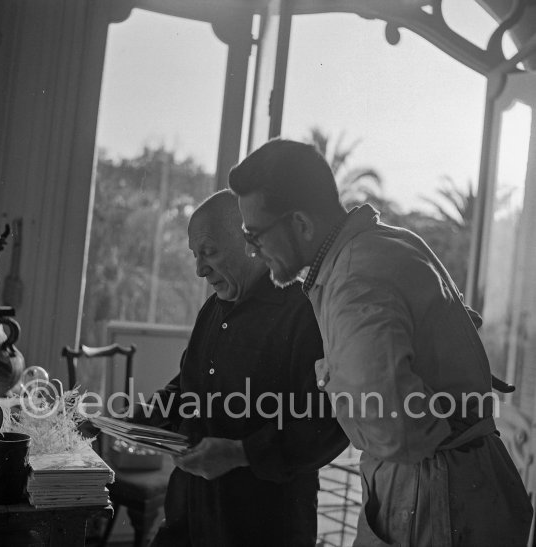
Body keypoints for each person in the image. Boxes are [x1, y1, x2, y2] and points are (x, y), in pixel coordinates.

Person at [229, 139, 534, 547]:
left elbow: (398, 434)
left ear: (300, 223)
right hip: (464, 484)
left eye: (254, 233)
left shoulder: (355, 281)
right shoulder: (388, 243)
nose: (251, 249)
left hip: (432, 499)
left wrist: (329, 376)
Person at [132, 189, 349, 547]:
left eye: (209, 252)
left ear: (250, 242)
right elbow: (189, 386)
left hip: (262, 524)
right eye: (195, 255)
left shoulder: (303, 312)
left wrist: (239, 454)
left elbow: (329, 422)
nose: (200, 269)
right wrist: (140, 417)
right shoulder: (213, 308)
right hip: (190, 512)